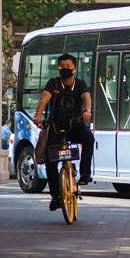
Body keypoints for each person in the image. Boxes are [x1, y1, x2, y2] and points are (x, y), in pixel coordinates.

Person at [33, 53, 94, 211]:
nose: (65, 69)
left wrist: (87, 110)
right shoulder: (53, 83)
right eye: (62, 66)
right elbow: (44, 99)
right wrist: (38, 116)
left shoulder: (80, 84)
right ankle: (56, 197)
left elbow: (86, 97)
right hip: (55, 127)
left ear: (74, 69)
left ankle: (85, 173)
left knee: (88, 137)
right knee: (50, 161)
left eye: (68, 66)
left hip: (75, 125)